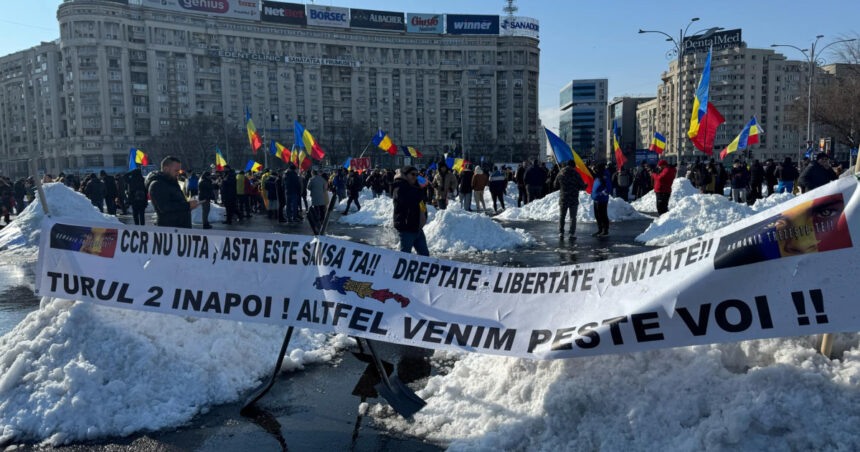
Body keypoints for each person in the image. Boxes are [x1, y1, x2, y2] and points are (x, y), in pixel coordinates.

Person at [145, 156, 198, 228]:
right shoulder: (157, 184)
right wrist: (187, 205)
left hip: (180, 228)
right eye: (176, 170)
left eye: (179, 171)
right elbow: (164, 207)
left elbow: (176, 203)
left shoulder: (172, 182)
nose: (178, 173)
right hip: (170, 230)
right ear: (165, 169)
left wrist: (188, 206)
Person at [392, 166, 429, 256]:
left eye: (417, 175)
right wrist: (420, 189)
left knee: (425, 256)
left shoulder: (414, 187)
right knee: (404, 256)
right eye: (412, 174)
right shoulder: (400, 186)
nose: (415, 177)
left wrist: (424, 215)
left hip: (417, 228)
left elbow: (421, 203)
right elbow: (411, 200)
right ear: (405, 175)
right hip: (406, 228)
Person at [555, 160, 588, 238]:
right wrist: (585, 185)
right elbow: (582, 186)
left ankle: (561, 232)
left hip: (563, 198)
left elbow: (555, 184)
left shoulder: (561, 172)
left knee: (562, 216)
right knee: (573, 217)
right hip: (573, 198)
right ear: (574, 166)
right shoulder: (576, 174)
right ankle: (571, 233)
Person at [590, 162, 612, 237]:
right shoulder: (599, 175)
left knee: (602, 215)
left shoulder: (605, 176)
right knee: (597, 215)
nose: (595, 170)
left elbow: (608, 188)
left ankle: (605, 230)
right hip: (596, 199)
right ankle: (600, 229)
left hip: (602, 199)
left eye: (596, 168)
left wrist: (602, 194)